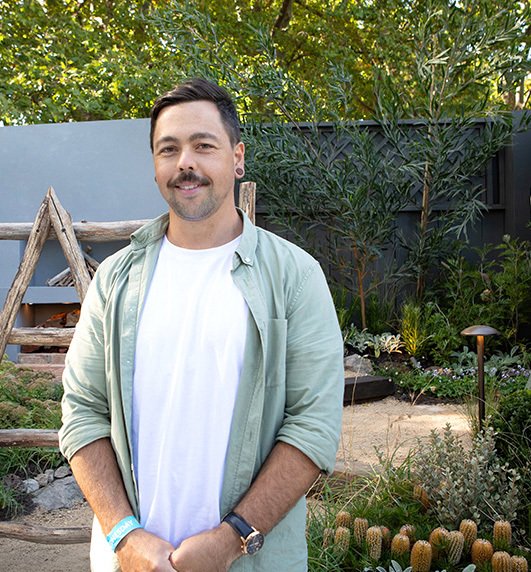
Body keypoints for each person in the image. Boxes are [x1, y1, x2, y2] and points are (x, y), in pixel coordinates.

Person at [59, 78, 344, 572]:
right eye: (168, 149)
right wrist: (124, 537)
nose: (185, 162)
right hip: (130, 562)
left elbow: (313, 425)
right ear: (155, 167)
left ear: (237, 157)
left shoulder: (295, 277)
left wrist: (231, 539)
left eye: (202, 146)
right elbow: (83, 412)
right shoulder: (114, 280)